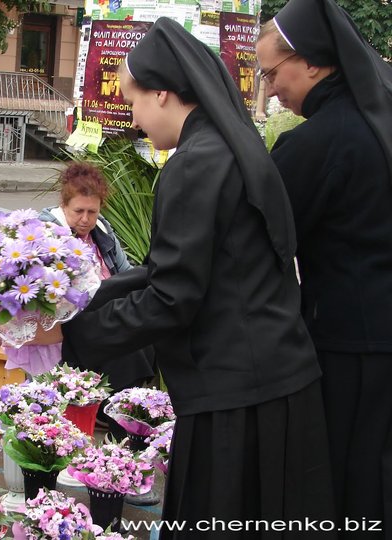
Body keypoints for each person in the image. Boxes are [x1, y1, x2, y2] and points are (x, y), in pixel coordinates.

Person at [39, 18, 336, 537]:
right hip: (274, 380)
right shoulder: (230, 148)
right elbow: (171, 272)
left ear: (162, 93)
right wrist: (79, 299)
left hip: (236, 395)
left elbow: (173, 297)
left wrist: (72, 334)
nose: (132, 118)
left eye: (133, 102)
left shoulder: (195, 163)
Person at [256, 0, 392, 535]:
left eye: (272, 73)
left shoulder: (316, 141)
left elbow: (261, 241)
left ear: (311, 63)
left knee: (350, 479)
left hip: (350, 343)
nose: (269, 90)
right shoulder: (379, 120)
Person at [39, 162, 156, 442]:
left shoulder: (102, 230)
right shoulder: (46, 233)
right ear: (64, 205)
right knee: (126, 348)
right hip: (71, 321)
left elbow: (124, 273)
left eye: (93, 211)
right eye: (79, 211)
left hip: (105, 313)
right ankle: (121, 431)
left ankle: (122, 422)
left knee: (147, 330)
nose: (86, 219)